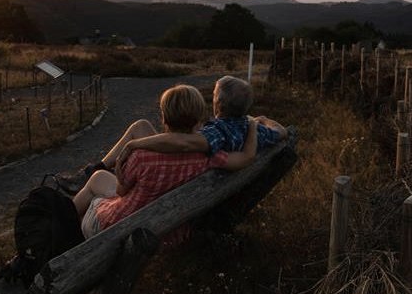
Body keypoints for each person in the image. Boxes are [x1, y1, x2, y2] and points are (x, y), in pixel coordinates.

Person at [73, 84, 258, 239]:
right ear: (199, 120)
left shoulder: (141, 157)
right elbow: (247, 157)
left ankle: (65, 226)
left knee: (97, 180)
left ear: (164, 117)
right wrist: (252, 125)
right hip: (168, 229)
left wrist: (126, 166)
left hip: (121, 229)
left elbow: (121, 192)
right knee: (140, 128)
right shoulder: (211, 157)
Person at [115, 75, 287, 170]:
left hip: (175, 170)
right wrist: (261, 121)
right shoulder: (255, 132)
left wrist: (133, 144)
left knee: (140, 127)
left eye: (213, 94)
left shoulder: (216, 133)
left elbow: (183, 143)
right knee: (141, 126)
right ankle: (98, 166)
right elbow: (281, 131)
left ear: (218, 103)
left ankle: (98, 168)